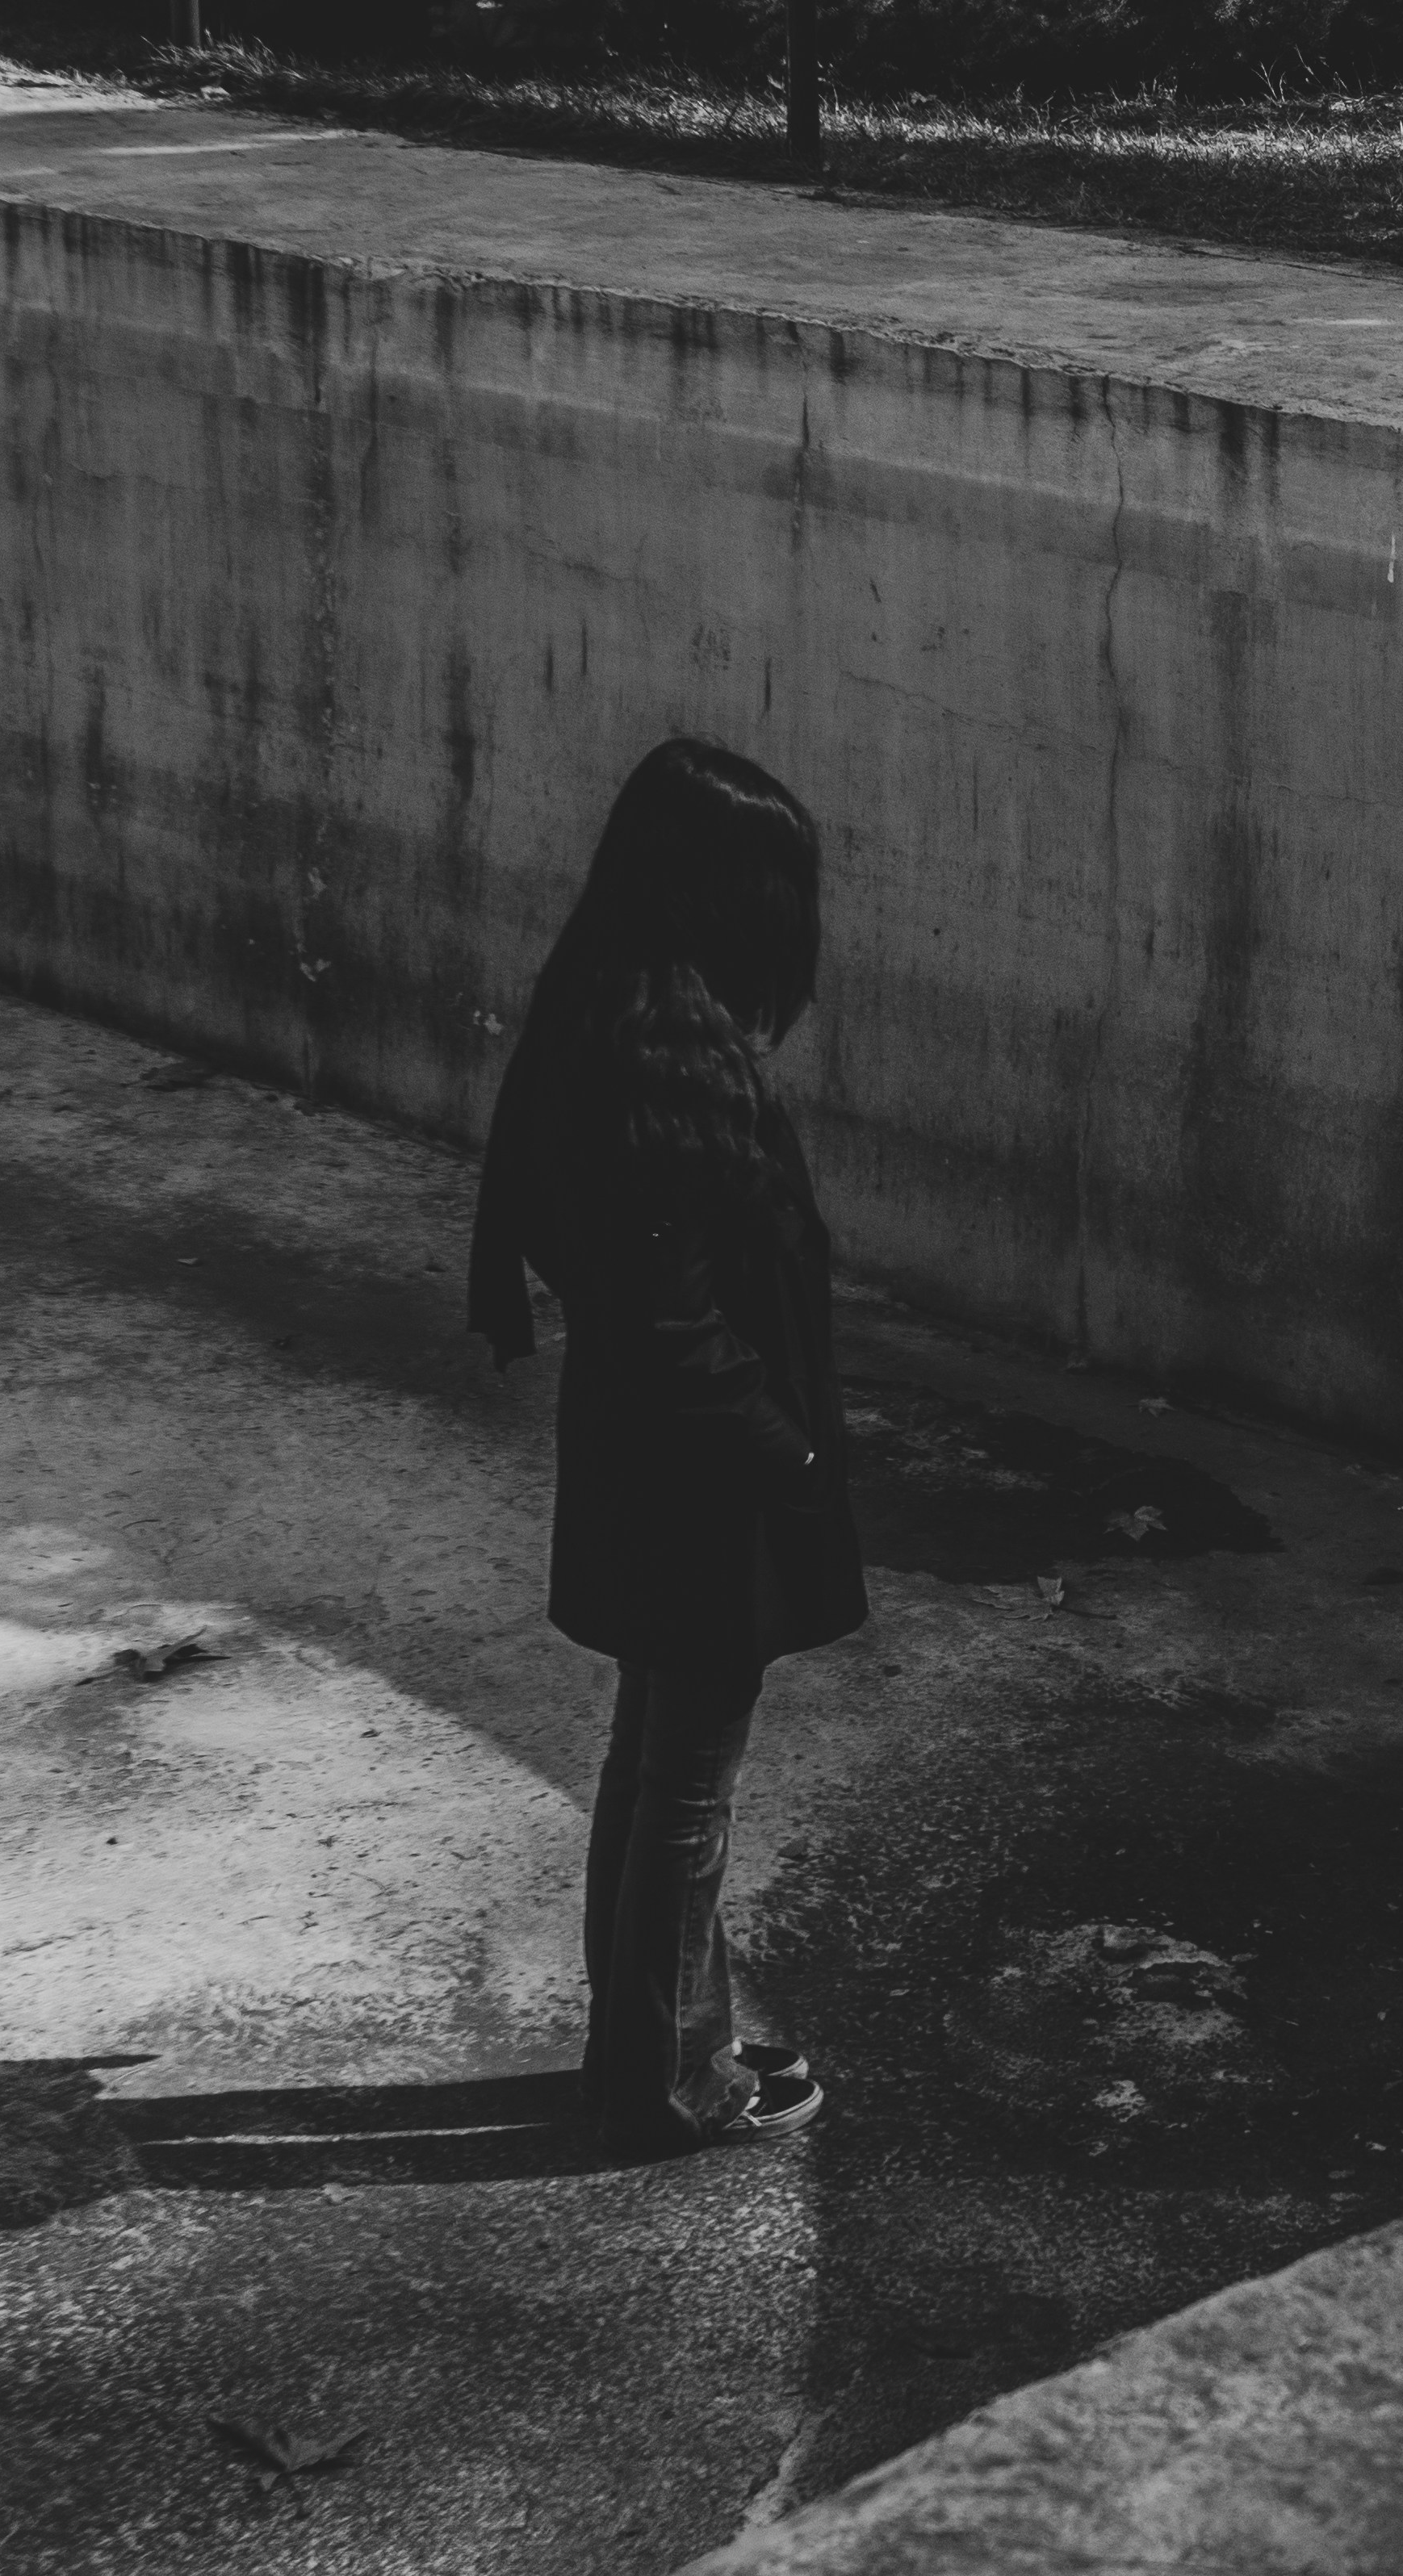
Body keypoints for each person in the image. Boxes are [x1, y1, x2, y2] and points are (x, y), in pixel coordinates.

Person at [465, 738, 861, 2155]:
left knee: (653, 1766)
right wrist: (793, 1459)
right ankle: (668, 2080)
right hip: (702, 1492)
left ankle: (659, 2042)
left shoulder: (604, 1011)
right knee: (685, 1787)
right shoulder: (669, 1062)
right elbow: (671, 1323)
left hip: (647, 1474)